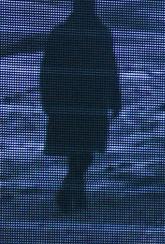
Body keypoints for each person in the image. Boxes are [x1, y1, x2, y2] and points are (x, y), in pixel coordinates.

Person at [38, 0, 121, 215]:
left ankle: (73, 186)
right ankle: (74, 186)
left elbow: (48, 69)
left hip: (69, 100)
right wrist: (114, 97)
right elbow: (110, 67)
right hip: (91, 101)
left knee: (77, 145)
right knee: (85, 146)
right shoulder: (100, 33)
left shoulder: (61, 32)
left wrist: (48, 98)